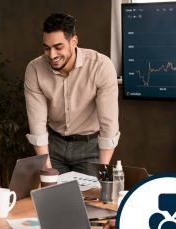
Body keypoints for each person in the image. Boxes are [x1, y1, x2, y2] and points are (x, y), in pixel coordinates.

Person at [24, 12, 120, 175]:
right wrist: (47, 170)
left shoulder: (100, 66)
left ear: (74, 41)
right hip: (53, 145)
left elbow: (108, 124)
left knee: (89, 198)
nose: (52, 55)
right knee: (52, 197)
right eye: (47, 48)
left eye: (58, 47)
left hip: (90, 147)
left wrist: (102, 171)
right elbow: (37, 124)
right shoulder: (35, 69)